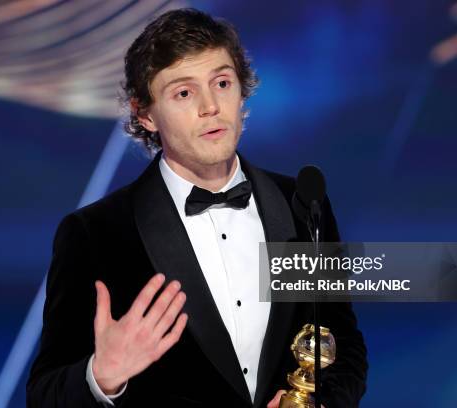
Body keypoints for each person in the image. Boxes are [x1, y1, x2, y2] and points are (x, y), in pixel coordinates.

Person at [26, 8, 367, 408]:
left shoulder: (303, 204)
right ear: (145, 114)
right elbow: (44, 395)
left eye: (222, 82)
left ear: (242, 90)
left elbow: (342, 347)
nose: (211, 106)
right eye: (184, 93)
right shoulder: (95, 234)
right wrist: (102, 377)